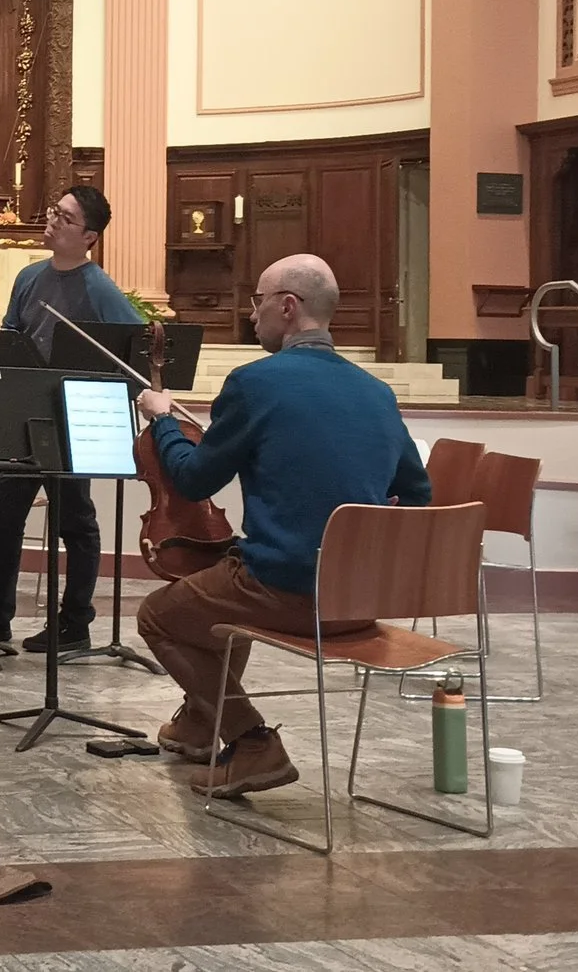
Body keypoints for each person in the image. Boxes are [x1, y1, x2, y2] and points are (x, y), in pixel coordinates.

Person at [133, 253, 431, 798]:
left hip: (287, 590)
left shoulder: (255, 383)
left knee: (158, 615)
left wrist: (163, 421)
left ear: (288, 308)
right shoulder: (377, 392)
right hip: (359, 600)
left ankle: (251, 743)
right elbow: (418, 495)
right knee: (217, 594)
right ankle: (202, 723)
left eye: (259, 302)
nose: (252, 315)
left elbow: (194, 481)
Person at [0, 184, 144, 653]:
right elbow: (12, 335)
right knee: (4, 514)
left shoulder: (100, 289)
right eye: (54, 212)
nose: (52, 222)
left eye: (65, 218)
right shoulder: (29, 277)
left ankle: (74, 622)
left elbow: (133, 348)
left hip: (69, 419)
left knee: (76, 522)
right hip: (22, 413)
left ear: (89, 236)